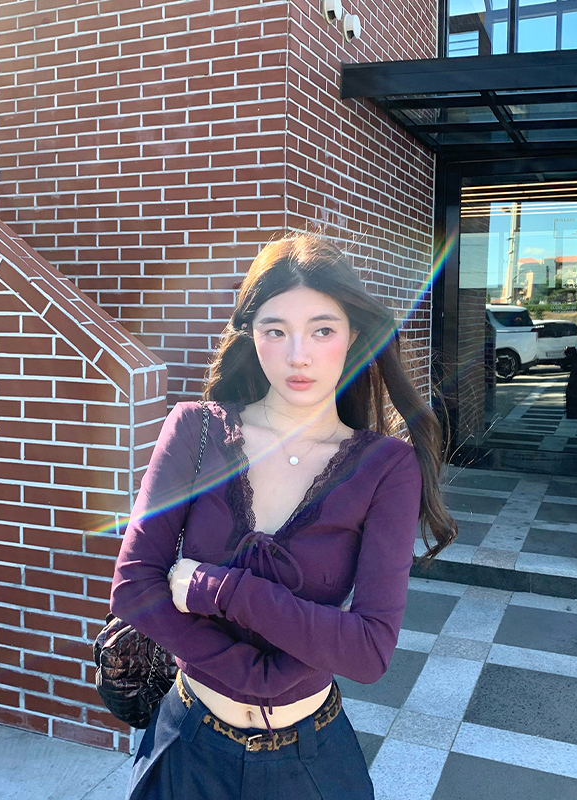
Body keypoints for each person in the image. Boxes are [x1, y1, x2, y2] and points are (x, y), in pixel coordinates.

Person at [110, 233, 457, 799]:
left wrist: (222, 590)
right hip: (187, 746)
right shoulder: (195, 430)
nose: (299, 355)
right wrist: (258, 677)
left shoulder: (387, 466)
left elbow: (370, 649)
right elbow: (134, 588)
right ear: (251, 334)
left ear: (353, 335)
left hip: (310, 762)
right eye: (275, 330)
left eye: (322, 330)